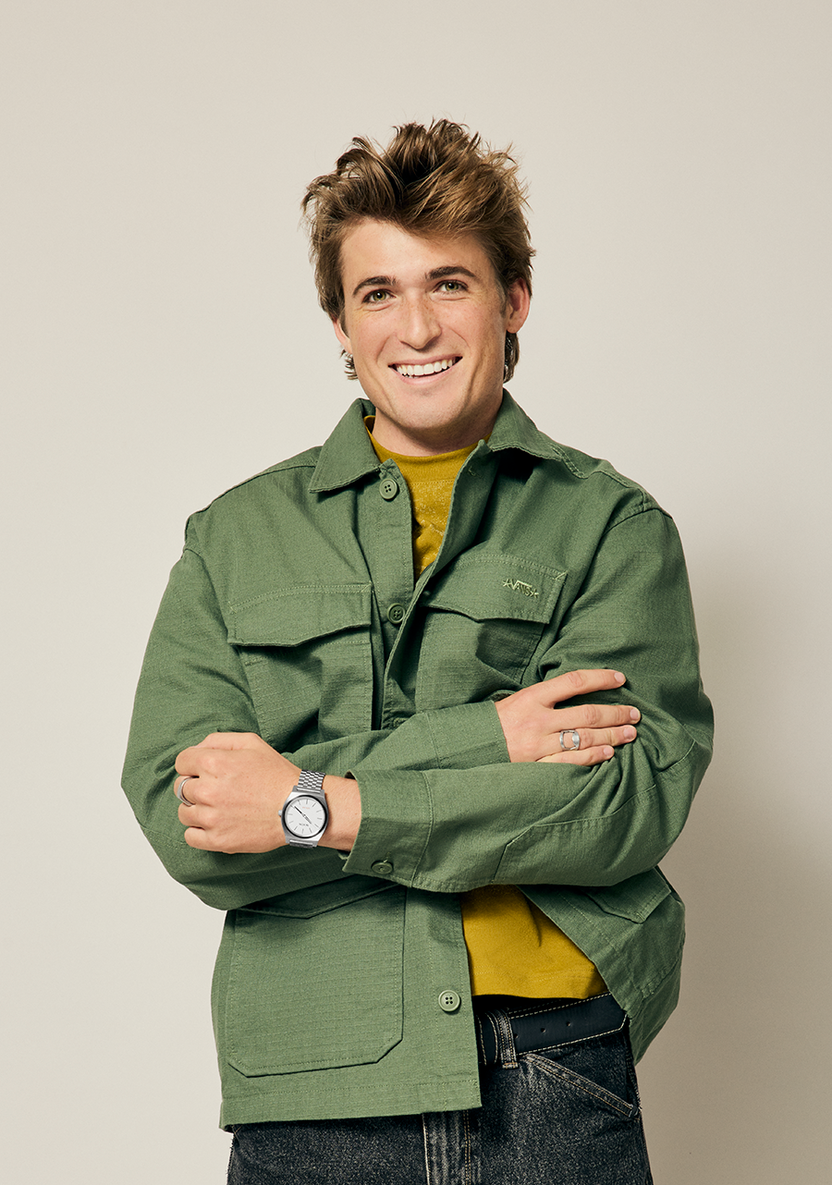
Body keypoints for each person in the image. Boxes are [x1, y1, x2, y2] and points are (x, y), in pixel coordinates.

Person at [122, 120, 713, 1184]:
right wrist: (491, 738)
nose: (417, 326)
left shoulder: (610, 528)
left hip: (551, 1062)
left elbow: (624, 802)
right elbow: (194, 823)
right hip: (312, 1077)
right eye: (378, 293)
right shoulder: (232, 539)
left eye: (449, 283)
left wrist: (311, 803)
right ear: (341, 325)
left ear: (512, 300)